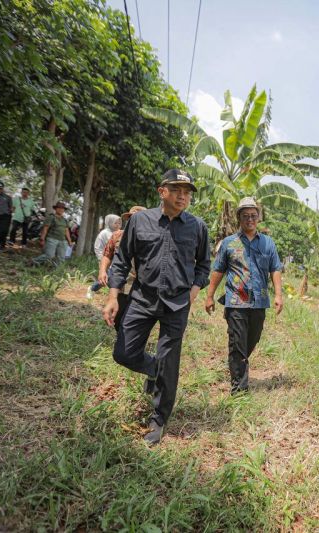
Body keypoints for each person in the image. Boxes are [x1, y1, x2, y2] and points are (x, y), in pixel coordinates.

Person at [103, 170, 210, 445]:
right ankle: (153, 368)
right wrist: (114, 296)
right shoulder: (140, 221)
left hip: (177, 304)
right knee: (124, 353)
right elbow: (122, 260)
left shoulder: (197, 227)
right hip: (142, 299)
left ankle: (159, 419)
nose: (183, 195)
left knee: (170, 362)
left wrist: (195, 290)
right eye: (176, 189)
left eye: (187, 191)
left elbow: (204, 265)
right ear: (162, 191)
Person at [205, 197, 284, 394]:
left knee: (253, 338)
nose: (250, 219)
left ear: (258, 218)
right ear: (239, 217)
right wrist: (209, 296)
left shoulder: (268, 243)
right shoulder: (229, 243)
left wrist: (279, 295)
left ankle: (237, 364)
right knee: (237, 342)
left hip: (259, 301)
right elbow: (218, 270)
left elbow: (275, 268)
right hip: (236, 301)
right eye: (246, 216)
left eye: (253, 216)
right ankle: (239, 390)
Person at [86, 213, 121, 299]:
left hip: (115, 260)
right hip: (106, 260)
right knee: (106, 279)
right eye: (115, 223)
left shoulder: (119, 233)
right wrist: (102, 260)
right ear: (109, 223)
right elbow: (97, 248)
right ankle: (92, 288)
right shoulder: (104, 233)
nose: (118, 225)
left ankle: (114, 296)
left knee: (112, 278)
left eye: (119, 223)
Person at [31, 201, 72, 266]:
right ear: (56, 209)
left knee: (61, 258)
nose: (61, 209)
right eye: (59, 208)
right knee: (49, 255)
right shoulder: (51, 217)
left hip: (63, 240)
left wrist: (69, 241)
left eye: (62, 208)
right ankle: (34, 261)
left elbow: (66, 231)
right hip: (52, 239)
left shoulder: (64, 220)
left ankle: (57, 271)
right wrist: (42, 239)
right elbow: (45, 228)